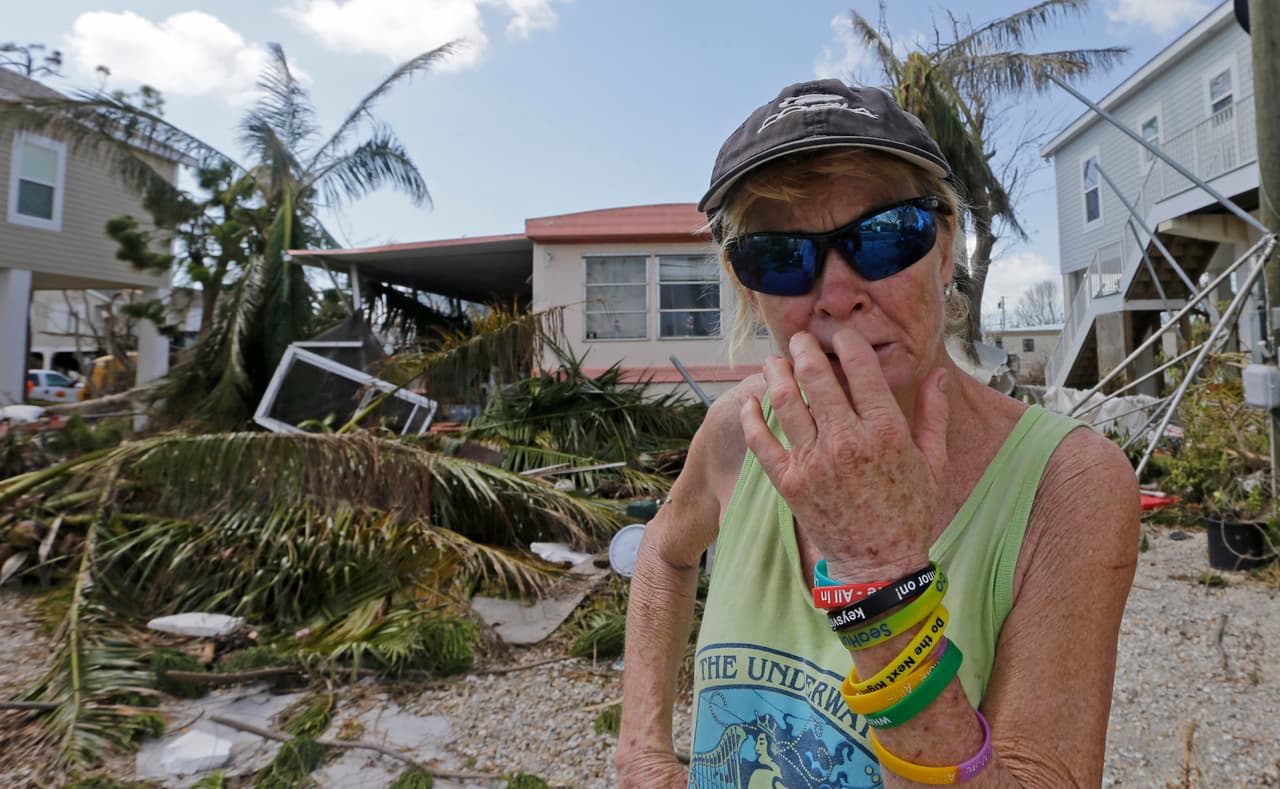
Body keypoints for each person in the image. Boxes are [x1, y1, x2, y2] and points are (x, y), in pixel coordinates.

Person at [615, 80, 1140, 788]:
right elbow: (662, 551)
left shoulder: (1068, 483)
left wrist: (879, 576)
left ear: (945, 251)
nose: (835, 292)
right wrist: (643, 750)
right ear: (749, 291)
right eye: (779, 256)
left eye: (884, 237)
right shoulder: (740, 430)